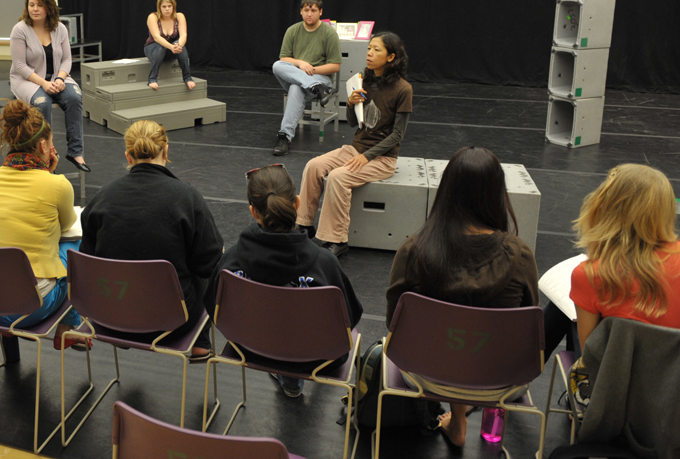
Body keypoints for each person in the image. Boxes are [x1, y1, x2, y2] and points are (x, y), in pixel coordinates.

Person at [385, 146, 539, 447]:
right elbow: (528, 331)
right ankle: (464, 409)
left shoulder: (413, 251)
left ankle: (458, 418)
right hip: (499, 381)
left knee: (452, 343)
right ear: (497, 194)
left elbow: (394, 323)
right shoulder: (520, 256)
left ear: (446, 190)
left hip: (425, 375)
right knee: (472, 344)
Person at [204, 163, 362, 398]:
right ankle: (291, 378)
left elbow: (214, 308)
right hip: (317, 358)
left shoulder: (231, 262)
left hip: (250, 348)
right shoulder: (324, 263)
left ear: (253, 211)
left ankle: (287, 378)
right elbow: (350, 316)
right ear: (297, 204)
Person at [80, 120, 222, 360]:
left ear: (128, 156)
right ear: (166, 152)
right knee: (211, 266)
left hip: (109, 315)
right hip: (172, 321)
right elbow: (208, 262)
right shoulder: (187, 198)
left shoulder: (101, 198)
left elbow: (87, 260)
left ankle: (127, 336)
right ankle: (200, 343)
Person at [0, 100, 82, 348]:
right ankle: (67, 329)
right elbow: (68, 225)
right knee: (77, 244)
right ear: (43, 146)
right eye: (51, 144)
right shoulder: (57, 185)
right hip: (29, 309)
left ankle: (8, 340)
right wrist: (50, 175)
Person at [296, 32, 412, 256]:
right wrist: (350, 104)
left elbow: (397, 134)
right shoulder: (363, 80)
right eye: (369, 48)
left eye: (377, 50)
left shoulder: (403, 89)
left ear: (391, 57)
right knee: (313, 166)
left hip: (382, 158)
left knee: (339, 177)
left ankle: (337, 240)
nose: (369, 53)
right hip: (355, 148)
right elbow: (353, 123)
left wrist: (367, 156)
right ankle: (304, 224)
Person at [570, 164, 680, 350]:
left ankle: (522, 369)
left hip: (615, 377)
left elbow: (590, 354)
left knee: (567, 320)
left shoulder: (590, 275)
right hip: (674, 376)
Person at [9, 0, 89, 172]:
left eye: (39, 5)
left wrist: (60, 79)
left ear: (49, 7)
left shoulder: (60, 28)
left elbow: (67, 59)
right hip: (27, 79)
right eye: (31, 5)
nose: (35, 9)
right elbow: (20, 66)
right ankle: (44, 156)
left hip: (56, 77)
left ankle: (75, 152)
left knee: (75, 97)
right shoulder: (20, 29)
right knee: (42, 103)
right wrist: (44, 84)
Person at [272, 0, 342, 156]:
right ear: (301, 12)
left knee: (296, 88)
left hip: (321, 78)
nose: (309, 13)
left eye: (313, 10)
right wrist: (300, 64)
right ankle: (313, 87)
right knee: (277, 65)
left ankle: (284, 136)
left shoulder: (329, 33)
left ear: (320, 12)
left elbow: (335, 66)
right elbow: (284, 59)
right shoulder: (292, 30)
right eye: (306, 10)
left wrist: (312, 71)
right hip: (300, 76)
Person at [144, 0, 195, 90]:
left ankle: (187, 77)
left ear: (173, 6)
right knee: (161, 47)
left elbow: (184, 35)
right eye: (164, 6)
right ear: (159, 7)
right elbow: (156, 37)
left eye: (169, 6)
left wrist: (178, 46)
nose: (167, 9)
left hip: (171, 50)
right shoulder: (153, 17)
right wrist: (172, 47)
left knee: (179, 45)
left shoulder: (179, 16)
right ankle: (152, 79)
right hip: (153, 48)